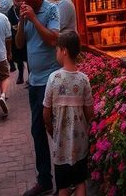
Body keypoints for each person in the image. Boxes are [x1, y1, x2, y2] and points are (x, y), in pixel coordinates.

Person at [14, 0, 61, 196]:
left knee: (56, 129)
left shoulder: (52, 10)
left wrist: (33, 19)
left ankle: (66, 178)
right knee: (37, 130)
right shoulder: (25, 13)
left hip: (51, 79)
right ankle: (45, 180)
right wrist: (23, 22)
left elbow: (53, 39)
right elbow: (19, 44)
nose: (26, 0)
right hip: (35, 82)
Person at [43, 32, 93, 196]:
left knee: (63, 186)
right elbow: (89, 111)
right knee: (80, 181)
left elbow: (46, 111)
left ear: (64, 51)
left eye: (57, 50)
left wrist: (50, 128)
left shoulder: (53, 78)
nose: (56, 53)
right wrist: (85, 125)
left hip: (60, 143)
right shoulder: (83, 79)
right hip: (80, 141)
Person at [7, 0, 28, 84]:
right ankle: (20, 75)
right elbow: (10, 24)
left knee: (28, 57)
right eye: (16, 0)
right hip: (16, 37)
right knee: (19, 58)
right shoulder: (10, 11)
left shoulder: (26, 8)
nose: (18, 2)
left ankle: (31, 76)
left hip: (27, 36)